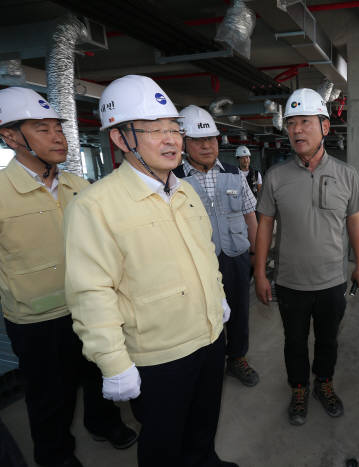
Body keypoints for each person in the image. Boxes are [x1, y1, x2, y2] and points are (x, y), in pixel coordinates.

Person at [63, 75, 238, 467]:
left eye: (174, 129)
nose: (172, 139)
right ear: (121, 138)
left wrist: (219, 298)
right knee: (163, 442)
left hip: (210, 338)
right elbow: (90, 293)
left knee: (203, 425)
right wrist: (113, 363)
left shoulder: (186, 190)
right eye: (155, 130)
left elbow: (205, 255)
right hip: (159, 356)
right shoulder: (95, 207)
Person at [0, 87, 135, 467]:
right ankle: (55, 454)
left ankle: (102, 422)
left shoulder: (79, 186)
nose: (58, 136)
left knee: (97, 374)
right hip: (37, 320)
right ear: (10, 137)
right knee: (48, 396)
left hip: (89, 308)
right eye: (42, 129)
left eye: (57, 128)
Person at [254, 88, 359, 426]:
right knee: (294, 342)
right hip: (290, 282)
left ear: (325, 127)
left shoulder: (347, 175)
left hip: (332, 280)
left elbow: (355, 225)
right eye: (291, 123)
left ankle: (324, 384)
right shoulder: (275, 178)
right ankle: (299, 388)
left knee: (329, 340)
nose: (297, 130)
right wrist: (260, 273)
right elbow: (263, 229)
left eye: (305, 122)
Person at [174, 105, 260, 387]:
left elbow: (250, 214)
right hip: (197, 264)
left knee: (238, 310)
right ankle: (209, 364)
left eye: (211, 139)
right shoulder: (174, 179)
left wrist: (257, 257)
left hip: (235, 257)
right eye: (198, 140)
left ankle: (237, 358)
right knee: (202, 315)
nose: (207, 145)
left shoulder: (235, 174)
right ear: (184, 143)